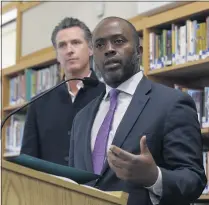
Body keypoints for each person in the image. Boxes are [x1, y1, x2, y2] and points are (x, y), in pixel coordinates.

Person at [69, 16, 207, 205]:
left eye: (118, 41)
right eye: (100, 45)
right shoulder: (81, 117)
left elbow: (194, 180)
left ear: (138, 51)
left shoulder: (173, 103)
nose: (109, 49)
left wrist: (154, 177)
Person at [21, 17, 105, 166]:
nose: (69, 50)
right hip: (49, 188)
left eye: (76, 43)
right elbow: (28, 160)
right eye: (62, 45)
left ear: (91, 49)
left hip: (94, 188)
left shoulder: (108, 95)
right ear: (57, 55)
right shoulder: (39, 103)